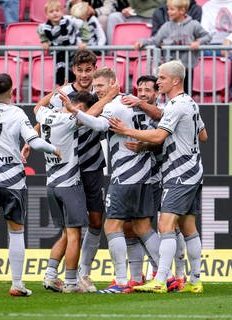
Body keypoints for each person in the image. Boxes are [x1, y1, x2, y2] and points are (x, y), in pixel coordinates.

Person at [23, 50, 119, 293]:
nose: (85, 75)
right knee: (72, 228)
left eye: (89, 70)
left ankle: (82, 273)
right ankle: (73, 278)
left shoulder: (101, 91)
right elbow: (44, 118)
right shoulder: (64, 96)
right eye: (81, 70)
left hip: (92, 164)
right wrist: (30, 139)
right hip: (69, 170)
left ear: (95, 68)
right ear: (74, 70)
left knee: (95, 221)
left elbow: (40, 110)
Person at [109, 60, 208, 293]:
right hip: (194, 169)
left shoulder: (175, 106)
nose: (158, 81)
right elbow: (203, 135)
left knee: (165, 226)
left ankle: (161, 280)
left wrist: (126, 131)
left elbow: (158, 137)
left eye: (161, 78)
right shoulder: (190, 103)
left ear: (175, 80)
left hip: (179, 173)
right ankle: (195, 281)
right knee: (188, 227)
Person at [60, 68, 161, 294]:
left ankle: (121, 281)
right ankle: (166, 276)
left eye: (101, 86)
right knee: (141, 227)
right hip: (144, 175)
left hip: (125, 176)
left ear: (114, 84)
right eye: (95, 88)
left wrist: (73, 112)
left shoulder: (115, 105)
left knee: (111, 225)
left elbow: (98, 125)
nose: (97, 91)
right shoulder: (134, 104)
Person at [0, 73, 60, 298]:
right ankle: (17, 284)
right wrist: (53, 149)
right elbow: (33, 141)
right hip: (12, 180)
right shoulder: (16, 113)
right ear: (11, 91)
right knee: (16, 231)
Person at [121, 75, 186, 291]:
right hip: (139, 180)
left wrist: (144, 146)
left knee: (167, 227)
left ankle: (177, 274)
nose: (141, 93)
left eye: (147, 90)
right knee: (134, 227)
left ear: (156, 94)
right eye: (139, 89)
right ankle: (138, 276)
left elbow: (160, 144)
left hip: (159, 179)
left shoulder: (165, 113)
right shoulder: (133, 113)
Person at [36, 91, 98, 293]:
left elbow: (36, 107)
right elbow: (93, 114)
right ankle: (71, 283)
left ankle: (51, 277)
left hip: (52, 184)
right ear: (80, 108)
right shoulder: (69, 119)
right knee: (74, 236)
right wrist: (110, 96)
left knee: (65, 233)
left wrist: (53, 93)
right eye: (84, 111)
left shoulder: (46, 115)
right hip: (69, 184)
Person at [135, 0, 211, 94]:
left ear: (182, 10)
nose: (168, 12)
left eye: (172, 9)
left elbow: (207, 36)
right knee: (171, 93)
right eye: (168, 9)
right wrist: (142, 41)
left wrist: (198, 42)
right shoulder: (166, 26)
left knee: (186, 93)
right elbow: (155, 40)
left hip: (187, 68)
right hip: (171, 69)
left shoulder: (193, 24)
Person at [201, 0, 232, 100]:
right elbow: (205, 31)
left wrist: (229, 41)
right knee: (196, 54)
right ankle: (200, 92)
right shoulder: (207, 6)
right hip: (212, 46)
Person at [38, 0, 91, 85]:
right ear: (46, 15)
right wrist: (44, 41)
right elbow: (41, 33)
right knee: (61, 71)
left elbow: (83, 26)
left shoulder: (69, 20)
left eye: (57, 11)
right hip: (59, 53)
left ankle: (75, 87)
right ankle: (64, 89)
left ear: (61, 12)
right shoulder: (44, 27)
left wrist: (84, 41)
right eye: (51, 11)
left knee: (76, 70)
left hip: (73, 51)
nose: (55, 13)